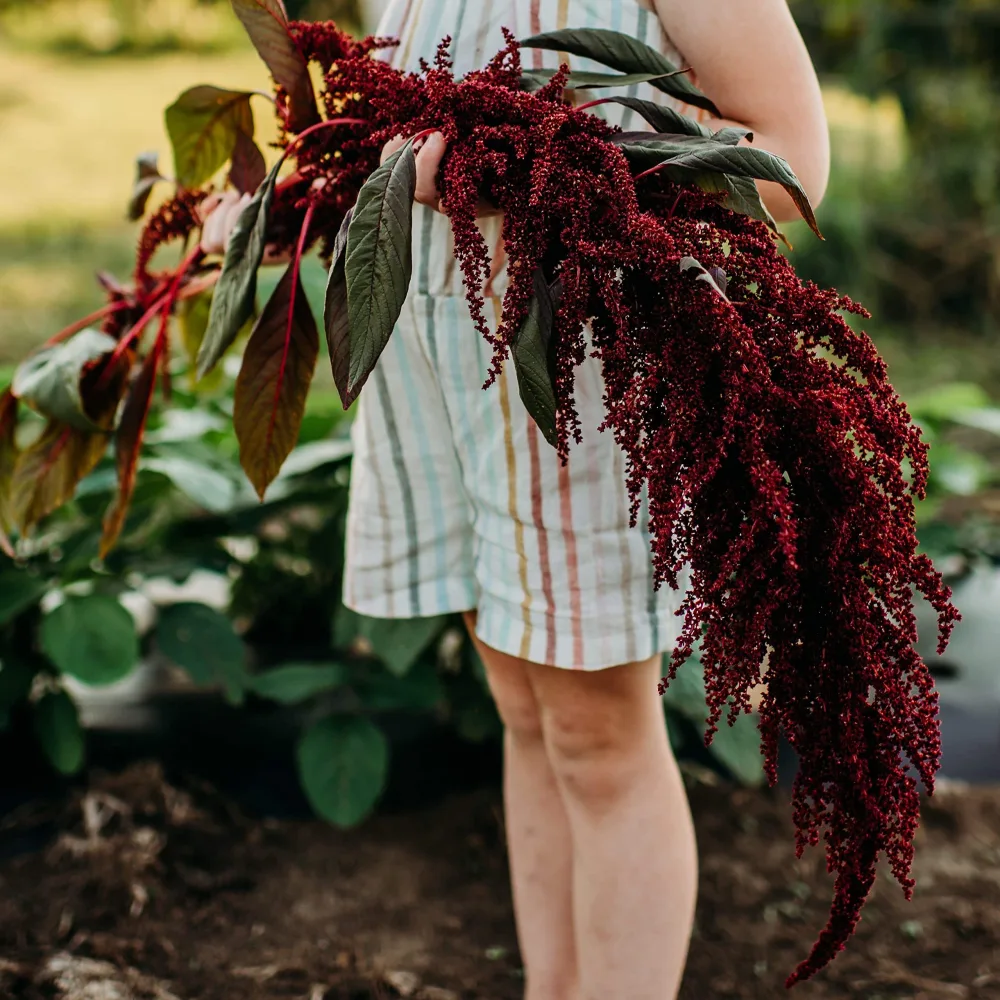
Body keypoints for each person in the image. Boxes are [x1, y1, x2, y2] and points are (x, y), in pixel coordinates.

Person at [202, 2, 829, 996]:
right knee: (527, 710)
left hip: (578, 367)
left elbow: (790, 163)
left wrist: (523, 160)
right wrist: (292, 205)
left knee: (596, 729)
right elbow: (393, 130)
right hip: (434, 358)